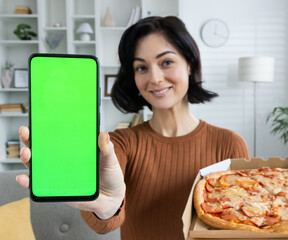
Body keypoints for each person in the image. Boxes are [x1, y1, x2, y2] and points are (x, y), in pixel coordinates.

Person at [17, 16, 250, 240]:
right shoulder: (118, 144)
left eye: (166, 62)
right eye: (141, 68)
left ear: (190, 64)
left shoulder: (229, 144)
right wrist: (106, 207)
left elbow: (244, 227)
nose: (155, 78)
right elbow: (106, 219)